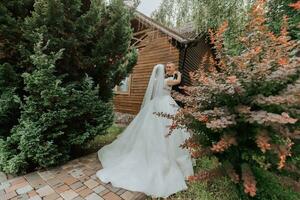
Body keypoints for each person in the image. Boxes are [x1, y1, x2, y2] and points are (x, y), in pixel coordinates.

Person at [96, 64, 194, 199]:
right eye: (166, 69)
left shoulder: (155, 82)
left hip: (155, 104)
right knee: (168, 127)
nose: (167, 70)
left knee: (152, 128)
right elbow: (177, 81)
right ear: (162, 72)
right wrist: (177, 73)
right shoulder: (166, 81)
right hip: (166, 103)